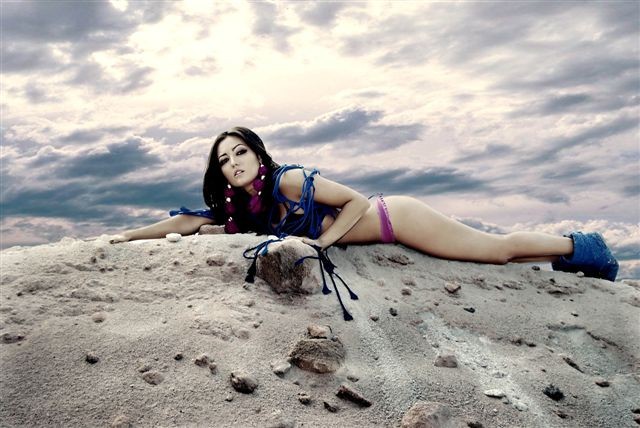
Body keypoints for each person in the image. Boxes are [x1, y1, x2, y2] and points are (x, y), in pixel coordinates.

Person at [109, 126, 619, 283]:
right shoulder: (245, 208)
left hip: (396, 217)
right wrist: (129, 235)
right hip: (386, 227)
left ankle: (583, 245)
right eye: (224, 159)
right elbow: (189, 219)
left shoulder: (286, 181)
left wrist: (322, 243)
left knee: (495, 250)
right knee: (495, 258)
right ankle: (571, 260)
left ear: (258, 154)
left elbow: (353, 201)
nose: (233, 162)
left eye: (240, 152)